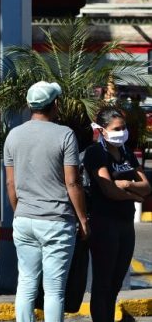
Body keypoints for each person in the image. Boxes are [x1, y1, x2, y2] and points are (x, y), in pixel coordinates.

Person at [4, 81, 90, 322]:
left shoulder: (13, 135)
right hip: (57, 220)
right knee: (54, 289)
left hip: (24, 218)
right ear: (55, 105)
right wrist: (82, 219)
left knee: (26, 282)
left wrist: (18, 211)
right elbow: (72, 182)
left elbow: (11, 184)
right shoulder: (64, 135)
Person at [84, 107, 151, 322]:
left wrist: (127, 184)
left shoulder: (126, 151)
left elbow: (146, 186)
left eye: (123, 127)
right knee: (103, 282)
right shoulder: (96, 153)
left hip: (125, 224)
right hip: (104, 223)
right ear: (102, 130)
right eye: (116, 128)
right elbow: (109, 190)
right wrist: (134, 196)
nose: (122, 132)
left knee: (115, 283)